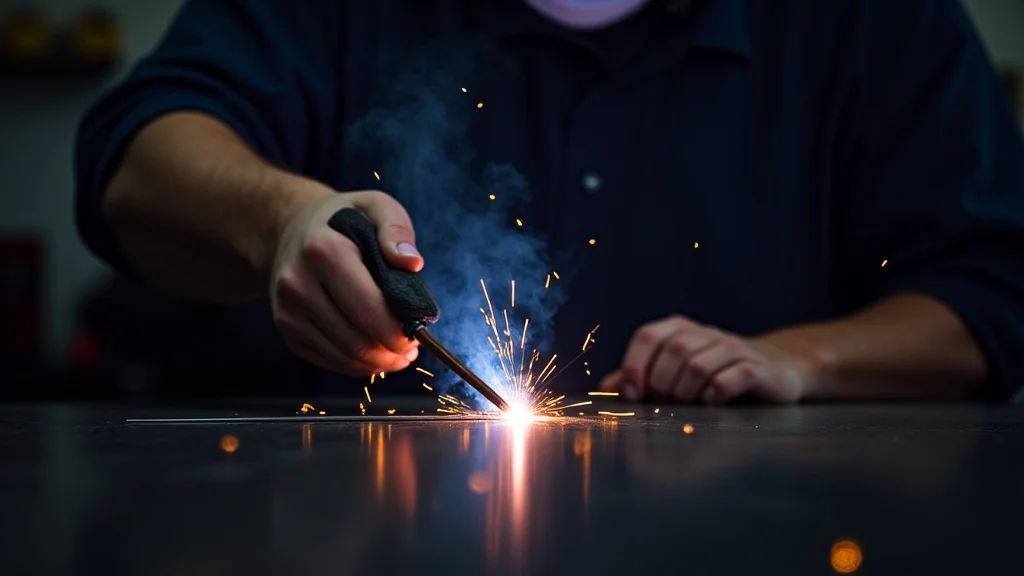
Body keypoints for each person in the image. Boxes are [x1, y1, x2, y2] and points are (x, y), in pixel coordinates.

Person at [75, 0, 1024, 405]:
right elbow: (138, 156)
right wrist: (281, 219)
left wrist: (800, 360)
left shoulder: (869, 22)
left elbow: (995, 284)